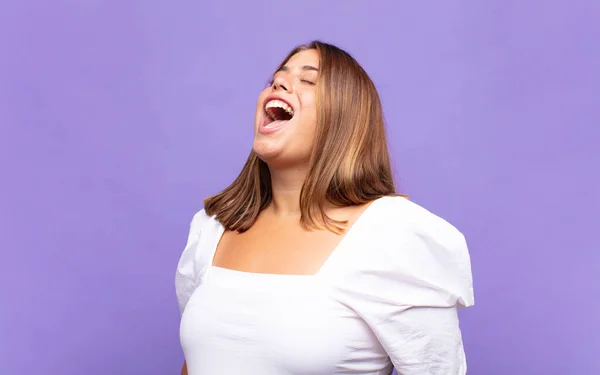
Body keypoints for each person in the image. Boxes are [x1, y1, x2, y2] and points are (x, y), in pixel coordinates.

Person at [175, 40, 474, 375]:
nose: (280, 84)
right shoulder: (212, 227)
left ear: (345, 118)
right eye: (276, 78)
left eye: (308, 81)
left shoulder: (393, 235)